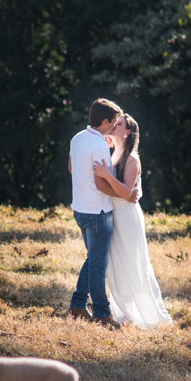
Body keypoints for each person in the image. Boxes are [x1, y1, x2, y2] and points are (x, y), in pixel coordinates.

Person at [92, 114, 172, 329]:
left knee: (131, 263)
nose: (113, 125)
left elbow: (128, 193)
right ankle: (125, 315)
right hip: (112, 213)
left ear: (127, 132)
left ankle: (145, 315)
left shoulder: (131, 159)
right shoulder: (115, 152)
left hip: (126, 216)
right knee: (117, 265)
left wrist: (106, 175)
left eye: (118, 124)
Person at [67, 98, 125, 328]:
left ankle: (77, 306)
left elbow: (72, 168)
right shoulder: (99, 144)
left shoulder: (78, 137)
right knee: (98, 265)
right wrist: (126, 196)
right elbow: (102, 183)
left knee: (92, 259)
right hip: (98, 211)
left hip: (80, 208)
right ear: (105, 121)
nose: (114, 127)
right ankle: (102, 313)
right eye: (113, 123)